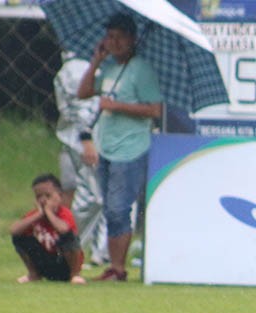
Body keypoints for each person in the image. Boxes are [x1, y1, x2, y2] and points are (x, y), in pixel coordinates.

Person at [77, 12, 163, 282]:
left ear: (131, 40)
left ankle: (118, 267)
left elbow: (154, 109)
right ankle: (114, 266)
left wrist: (116, 106)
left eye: (118, 37)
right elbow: (83, 92)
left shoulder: (141, 70)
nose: (112, 42)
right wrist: (96, 61)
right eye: (109, 36)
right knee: (109, 206)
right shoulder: (110, 68)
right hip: (107, 147)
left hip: (131, 148)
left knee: (118, 207)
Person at [54, 50, 107, 267]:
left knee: (100, 196)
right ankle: (72, 250)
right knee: (93, 197)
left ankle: (100, 252)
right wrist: (86, 138)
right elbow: (80, 109)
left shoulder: (72, 67)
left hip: (85, 139)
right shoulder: (76, 68)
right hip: (85, 142)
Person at [11, 173, 85, 284]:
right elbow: (14, 230)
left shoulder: (64, 213)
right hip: (46, 262)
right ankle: (34, 274)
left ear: (60, 196)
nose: (43, 200)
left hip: (64, 264)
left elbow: (64, 229)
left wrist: (49, 213)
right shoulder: (35, 215)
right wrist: (39, 214)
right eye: (39, 197)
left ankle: (74, 275)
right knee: (19, 237)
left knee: (68, 236)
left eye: (48, 196)